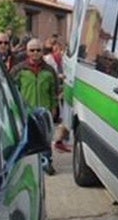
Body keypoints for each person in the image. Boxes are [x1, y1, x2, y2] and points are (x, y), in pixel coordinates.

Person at [11, 38, 59, 174]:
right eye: (32, 50)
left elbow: (54, 91)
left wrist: (54, 107)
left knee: (45, 137)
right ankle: (25, 166)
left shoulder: (49, 71)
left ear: (42, 52)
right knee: (26, 138)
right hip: (26, 109)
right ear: (27, 52)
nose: (35, 53)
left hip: (44, 110)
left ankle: (46, 162)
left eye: (38, 50)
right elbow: (12, 90)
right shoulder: (19, 70)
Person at [44, 37, 72, 153]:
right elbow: (52, 75)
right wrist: (60, 77)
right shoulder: (48, 59)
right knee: (61, 120)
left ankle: (60, 142)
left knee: (64, 120)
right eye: (55, 46)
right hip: (56, 90)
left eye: (59, 47)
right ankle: (58, 142)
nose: (58, 49)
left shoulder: (61, 59)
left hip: (63, 88)